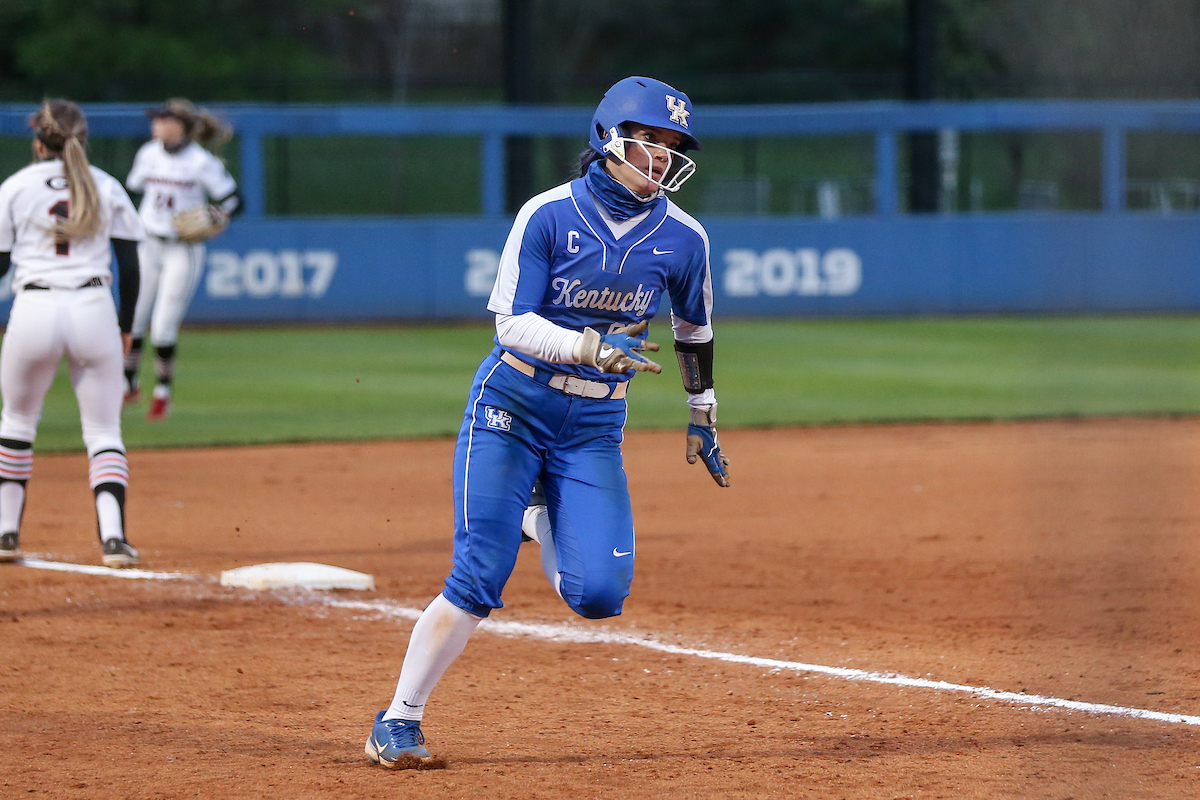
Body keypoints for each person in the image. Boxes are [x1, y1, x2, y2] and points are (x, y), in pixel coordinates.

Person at [364, 76, 731, 769]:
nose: (661, 156)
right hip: (512, 403)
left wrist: (701, 409)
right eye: (648, 140)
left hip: (594, 422)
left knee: (599, 597)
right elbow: (511, 323)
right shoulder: (548, 214)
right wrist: (589, 346)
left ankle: (535, 517)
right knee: (479, 574)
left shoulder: (685, 237)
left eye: (671, 145)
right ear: (608, 138)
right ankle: (399, 719)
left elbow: (694, 328)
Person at [0, 99, 144, 567]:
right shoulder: (106, 184)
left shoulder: (15, 187)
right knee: (103, 429)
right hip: (93, 309)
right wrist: (126, 327)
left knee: (16, 422)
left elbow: (0, 264)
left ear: (39, 143)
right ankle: (114, 539)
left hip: (34, 308)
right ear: (82, 140)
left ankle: (5, 533)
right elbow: (130, 267)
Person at [123, 98, 242, 422]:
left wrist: (219, 215)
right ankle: (128, 384)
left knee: (163, 327)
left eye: (164, 119)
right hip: (149, 242)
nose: (156, 124)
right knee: (134, 319)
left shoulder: (201, 162)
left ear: (181, 125)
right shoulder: (148, 153)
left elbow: (234, 199)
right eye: (157, 119)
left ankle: (162, 393)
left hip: (182, 248)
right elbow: (131, 189)